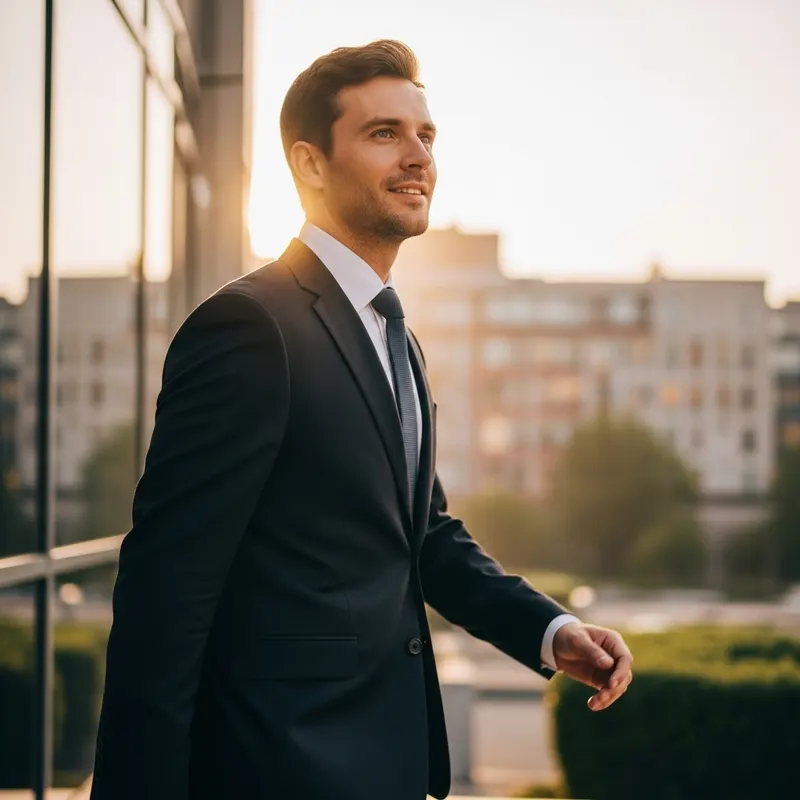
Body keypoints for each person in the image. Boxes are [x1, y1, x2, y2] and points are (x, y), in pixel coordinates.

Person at [89, 39, 633, 800]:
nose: (418, 156)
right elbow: (165, 587)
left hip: (386, 766)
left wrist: (549, 631)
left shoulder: (396, 336)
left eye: (426, 136)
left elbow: (423, 536)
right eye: (384, 133)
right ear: (310, 164)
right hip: (276, 769)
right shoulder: (249, 327)